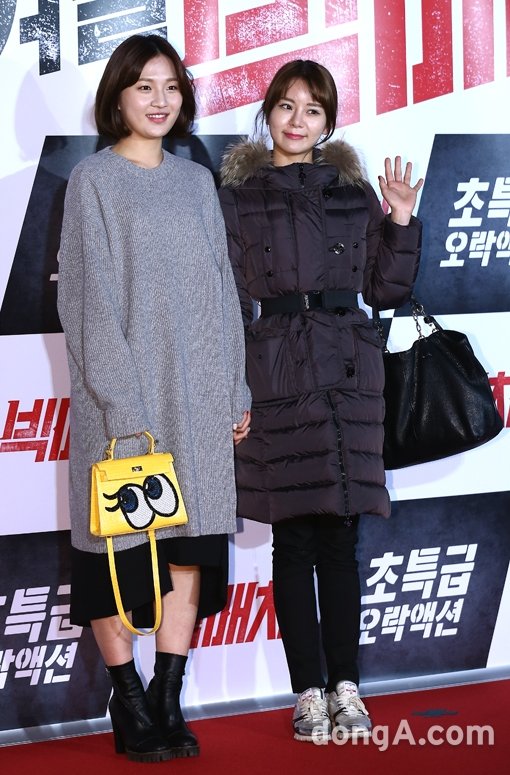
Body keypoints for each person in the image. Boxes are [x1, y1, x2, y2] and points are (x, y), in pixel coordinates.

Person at [57, 34, 251, 763]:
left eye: (171, 85)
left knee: (188, 555)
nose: (160, 99)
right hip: (123, 410)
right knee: (112, 555)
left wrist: (233, 385)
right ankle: (129, 700)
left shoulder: (197, 181)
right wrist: (122, 407)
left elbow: (224, 293)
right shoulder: (93, 182)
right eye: (144, 86)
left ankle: (168, 696)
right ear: (117, 96)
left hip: (198, 404)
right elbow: (88, 304)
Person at [218, 60, 423, 743]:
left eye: (312, 109)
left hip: (349, 372)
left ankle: (347, 687)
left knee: (341, 539)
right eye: (286, 105)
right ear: (268, 113)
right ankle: (308, 693)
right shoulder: (238, 196)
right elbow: (226, 295)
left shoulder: (352, 192)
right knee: (294, 539)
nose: (297, 120)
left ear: (328, 122)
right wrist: (233, 383)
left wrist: (400, 220)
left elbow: (385, 290)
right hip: (277, 372)